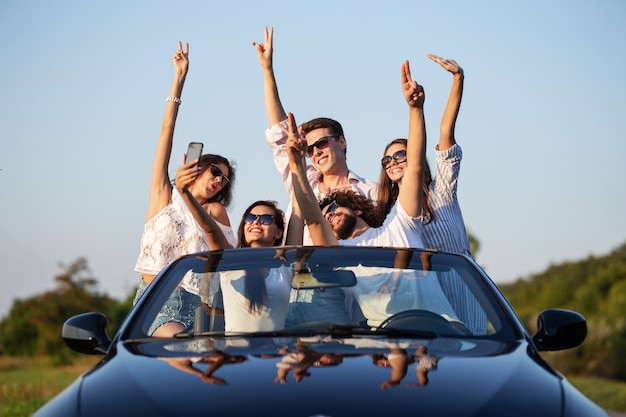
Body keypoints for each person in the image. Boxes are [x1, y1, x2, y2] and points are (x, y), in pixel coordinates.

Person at [375, 54, 486, 334]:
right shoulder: (390, 216)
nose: (393, 162)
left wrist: (458, 79)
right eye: (386, 160)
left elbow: (445, 132)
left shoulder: (442, 191)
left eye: (400, 154)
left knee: (469, 362)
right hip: (422, 298)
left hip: (464, 291)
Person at [132, 41, 236, 337]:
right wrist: (178, 80)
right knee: (170, 358)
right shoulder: (164, 195)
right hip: (153, 301)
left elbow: (226, 259)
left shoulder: (216, 212)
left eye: (224, 179)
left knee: (191, 359)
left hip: (200, 303)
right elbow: (166, 132)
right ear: (197, 166)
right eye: (215, 171)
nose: (218, 180)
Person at [252, 26, 378, 245]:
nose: (316, 152)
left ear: (342, 141)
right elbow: (279, 134)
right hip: (303, 274)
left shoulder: (371, 190)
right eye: (310, 149)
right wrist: (267, 70)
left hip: (356, 275)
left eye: (321, 143)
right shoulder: (303, 180)